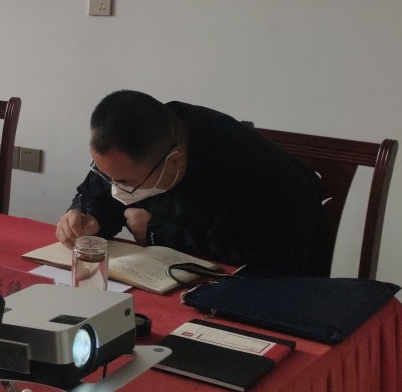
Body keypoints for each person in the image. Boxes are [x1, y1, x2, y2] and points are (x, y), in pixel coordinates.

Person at [55, 90, 330, 275]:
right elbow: (98, 193)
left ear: (173, 162)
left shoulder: (247, 175)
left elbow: (267, 257)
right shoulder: (137, 143)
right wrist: (87, 216)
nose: (115, 186)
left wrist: (158, 233)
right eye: (104, 173)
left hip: (272, 287)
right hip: (170, 277)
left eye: (124, 181)